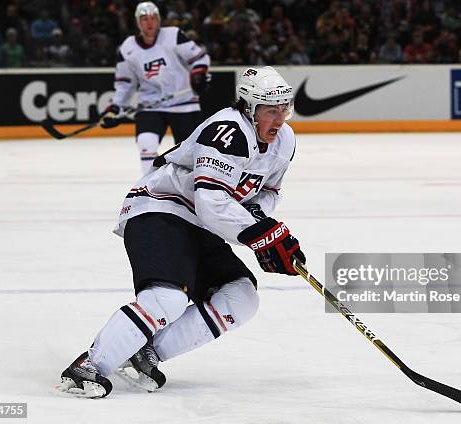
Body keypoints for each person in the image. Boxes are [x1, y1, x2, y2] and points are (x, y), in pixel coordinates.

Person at [58, 66, 305, 398]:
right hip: (160, 208)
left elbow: (267, 193)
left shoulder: (284, 141)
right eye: (270, 111)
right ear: (249, 108)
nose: (278, 119)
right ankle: (89, 365)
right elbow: (211, 200)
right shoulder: (227, 130)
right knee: (168, 298)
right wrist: (259, 235)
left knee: (241, 297)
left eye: (283, 110)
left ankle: (146, 352)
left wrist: (269, 233)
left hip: (197, 224)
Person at [101, 2, 211, 175]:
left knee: (189, 155)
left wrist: (198, 73)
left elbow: (199, 58)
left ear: (159, 20)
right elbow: (125, 83)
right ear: (138, 22)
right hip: (151, 105)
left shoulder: (173, 35)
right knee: (146, 143)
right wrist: (117, 105)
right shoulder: (128, 47)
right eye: (144, 19)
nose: (149, 22)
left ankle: (188, 190)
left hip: (184, 103)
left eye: (153, 18)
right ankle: (148, 187)